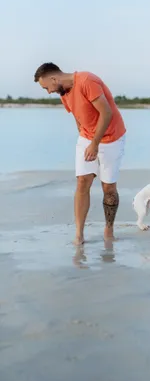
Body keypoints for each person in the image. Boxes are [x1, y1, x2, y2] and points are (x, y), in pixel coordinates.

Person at [34, 62, 126, 245]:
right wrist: (85, 139)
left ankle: (109, 228)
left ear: (54, 79)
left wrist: (95, 144)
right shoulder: (63, 92)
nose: (48, 92)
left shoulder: (86, 80)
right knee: (83, 181)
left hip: (112, 138)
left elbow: (106, 113)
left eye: (46, 87)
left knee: (108, 188)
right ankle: (79, 234)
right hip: (87, 137)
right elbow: (78, 116)